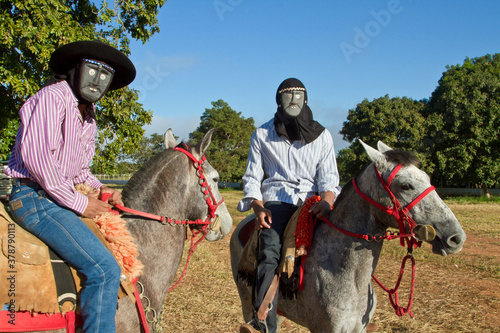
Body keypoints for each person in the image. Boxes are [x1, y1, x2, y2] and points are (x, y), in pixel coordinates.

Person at [4, 40, 136, 332]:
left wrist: (100, 189)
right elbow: (39, 161)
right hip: (34, 196)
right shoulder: (52, 98)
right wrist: (83, 204)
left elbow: (79, 170)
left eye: (106, 75)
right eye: (93, 70)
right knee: (103, 269)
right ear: (75, 70)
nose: (98, 81)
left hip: (53, 195)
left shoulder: (88, 116)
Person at [238, 78, 341, 333]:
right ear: (278, 101)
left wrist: (327, 202)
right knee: (269, 251)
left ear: (306, 100)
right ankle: (262, 323)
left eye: (298, 96)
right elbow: (252, 178)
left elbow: (329, 180)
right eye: (287, 96)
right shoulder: (262, 134)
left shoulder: (323, 136)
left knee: (346, 243)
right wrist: (258, 208)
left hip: (314, 202)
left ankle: (355, 314)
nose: (294, 100)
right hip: (277, 202)